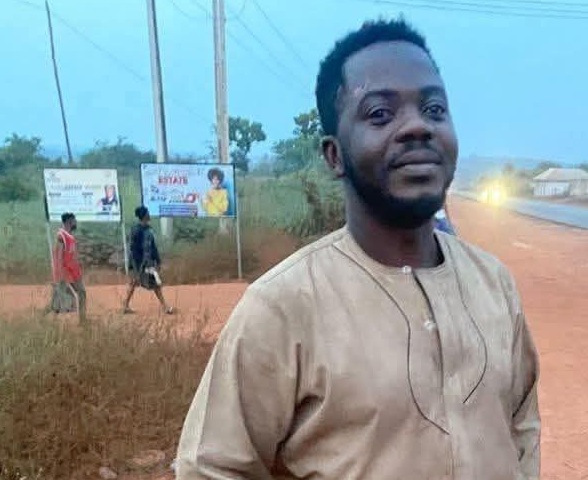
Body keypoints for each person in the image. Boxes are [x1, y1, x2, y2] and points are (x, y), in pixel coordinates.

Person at [177, 18, 540, 479]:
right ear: (335, 155)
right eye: (380, 114)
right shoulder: (283, 306)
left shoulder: (493, 284)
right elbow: (211, 467)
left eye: (433, 109)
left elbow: (522, 427)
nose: (417, 127)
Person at [122, 206, 174, 315]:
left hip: (148, 262)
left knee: (152, 283)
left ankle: (126, 305)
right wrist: (138, 266)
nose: (149, 215)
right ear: (144, 215)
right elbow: (133, 249)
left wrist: (157, 260)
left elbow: (153, 246)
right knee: (135, 282)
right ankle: (164, 307)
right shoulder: (136, 230)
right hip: (139, 262)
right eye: (147, 213)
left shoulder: (149, 229)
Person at [47, 212, 87, 324]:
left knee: (59, 299)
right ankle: (82, 320)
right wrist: (61, 274)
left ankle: (82, 320)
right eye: (74, 221)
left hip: (73, 272)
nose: (76, 223)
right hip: (67, 273)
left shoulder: (70, 236)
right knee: (80, 293)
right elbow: (59, 256)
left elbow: (71, 255)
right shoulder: (61, 236)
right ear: (69, 221)